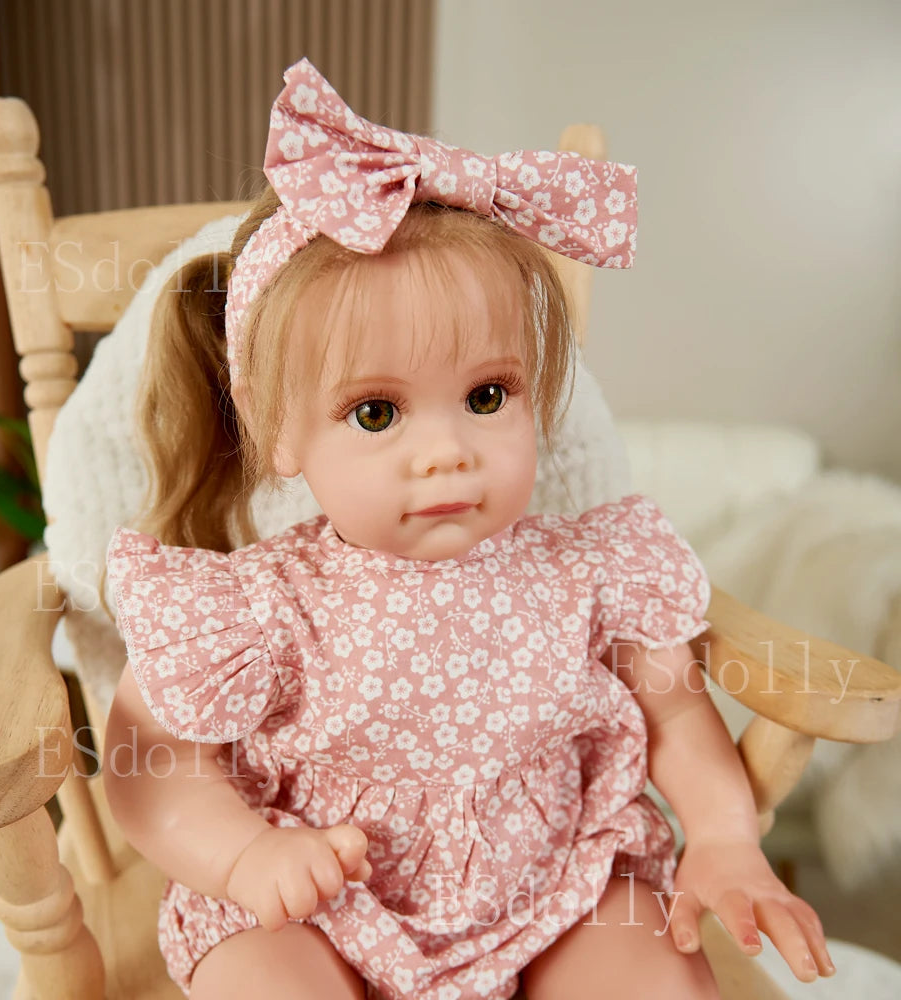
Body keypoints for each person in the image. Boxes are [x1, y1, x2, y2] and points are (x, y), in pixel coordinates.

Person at [103, 59, 834, 1000]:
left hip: (555, 889)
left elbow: (678, 711)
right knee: (263, 979)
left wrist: (725, 834)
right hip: (316, 904)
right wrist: (242, 857)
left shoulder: (588, 569)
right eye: (376, 413)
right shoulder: (259, 606)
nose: (447, 453)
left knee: (652, 974)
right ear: (275, 423)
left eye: (488, 396)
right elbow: (151, 761)